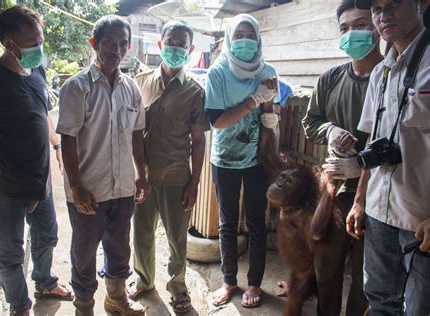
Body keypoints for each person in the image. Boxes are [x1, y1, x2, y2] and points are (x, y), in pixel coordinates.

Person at [0, 5, 71, 316]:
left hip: (41, 179)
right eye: (33, 42)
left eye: (41, 39)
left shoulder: (36, 70)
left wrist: (58, 145)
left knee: (47, 235)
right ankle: (19, 304)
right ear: (10, 44)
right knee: (10, 252)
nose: (39, 47)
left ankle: (45, 282)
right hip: (7, 185)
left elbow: (43, 115)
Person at [56, 15, 147, 315]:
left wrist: (141, 175)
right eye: (109, 42)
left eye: (122, 43)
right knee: (83, 253)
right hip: (89, 190)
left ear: (129, 47)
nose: (116, 49)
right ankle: (84, 306)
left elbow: (136, 135)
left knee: (119, 248)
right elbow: (68, 139)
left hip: (122, 188)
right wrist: (77, 186)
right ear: (94, 43)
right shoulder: (76, 87)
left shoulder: (132, 88)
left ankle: (116, 299)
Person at [346, 0, 430, 315]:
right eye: (377, 8)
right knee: (380, 299)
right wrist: (359, 200)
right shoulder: (381, 71)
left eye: (393, 3)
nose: (384, 15)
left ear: (422, 3)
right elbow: (374, 139)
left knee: (419, 308)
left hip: (421, 217)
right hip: (380, 211)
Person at [302, 1, 383, 314]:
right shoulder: (330, 79)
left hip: (376, 197)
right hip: (334, 193)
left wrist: (361, 164)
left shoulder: (390, 77)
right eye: (345, 28)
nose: (353, 33)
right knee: (327, 272)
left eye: (361, 25)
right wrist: (330, 130)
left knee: (366, 281)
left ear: (377, 26)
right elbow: (311, 122)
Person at [128, 21, 210, 313]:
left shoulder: (195, 91)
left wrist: (194, 183)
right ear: (160, 45)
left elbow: (198, 141)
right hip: (143, 177)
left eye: (181, 44)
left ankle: (177, 287)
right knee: (142, 234)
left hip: (177, 177)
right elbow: (133, 130)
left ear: (189, 49)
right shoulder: (139, 82)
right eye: (170, 43)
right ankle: (143, 280)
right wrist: (138, 174)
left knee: (177, 240)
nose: (175, 48)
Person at [205, 13, 281, 308]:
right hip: (224, 158)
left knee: (256, 221)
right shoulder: (218, 72)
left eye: (251, 35)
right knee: (227, 222)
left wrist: (270, 113)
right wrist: (253, 100)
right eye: (239, 35)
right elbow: (218, 122)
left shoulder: (268, 69)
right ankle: (228, 281)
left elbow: (269, 109)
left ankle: (255, 283)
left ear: (258, 39)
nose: (245, 41)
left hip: (256, 158)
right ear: (229, 39)